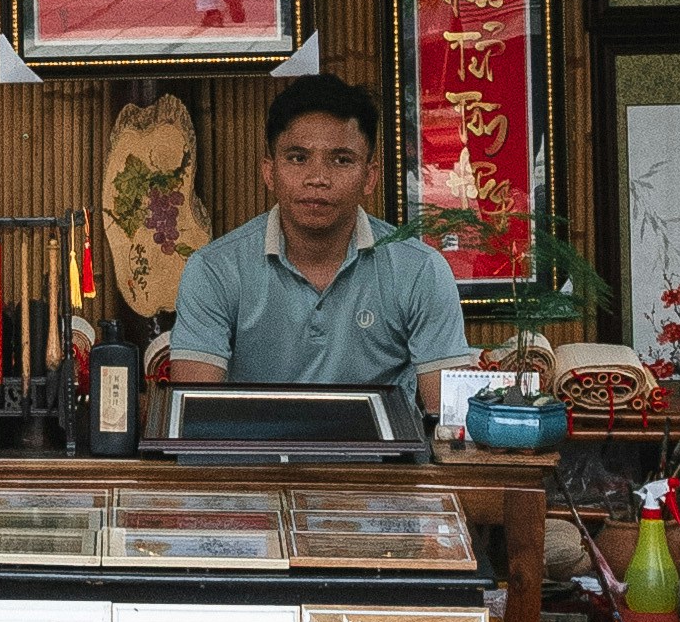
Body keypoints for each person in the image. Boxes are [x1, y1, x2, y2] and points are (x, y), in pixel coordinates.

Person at [164, 74, 466, 424]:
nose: (317, 177)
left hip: (381, 474)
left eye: (341, 160)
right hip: (254, 470)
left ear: (370, 176)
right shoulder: (214, 269)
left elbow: (451, 425)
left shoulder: (420, 270)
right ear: (269, 172)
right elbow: (195, 418)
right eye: (297, 158)